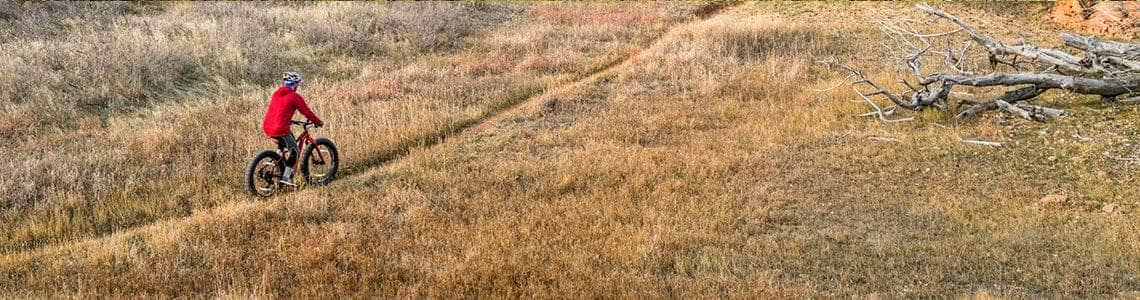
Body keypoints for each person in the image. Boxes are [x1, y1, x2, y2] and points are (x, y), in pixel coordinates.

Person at [262, 71, 323, 186]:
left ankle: (279, 166)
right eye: (297, 85)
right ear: (294, 85)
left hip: (268, 127)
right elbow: (306, 111)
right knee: (295, 151)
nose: (297, 87)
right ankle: (286, 177)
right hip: (280, 129)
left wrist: (288, 120)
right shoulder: (294, 97)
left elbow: (279, 110)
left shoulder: (276, 94)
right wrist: (317, 121)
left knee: (284, 146)